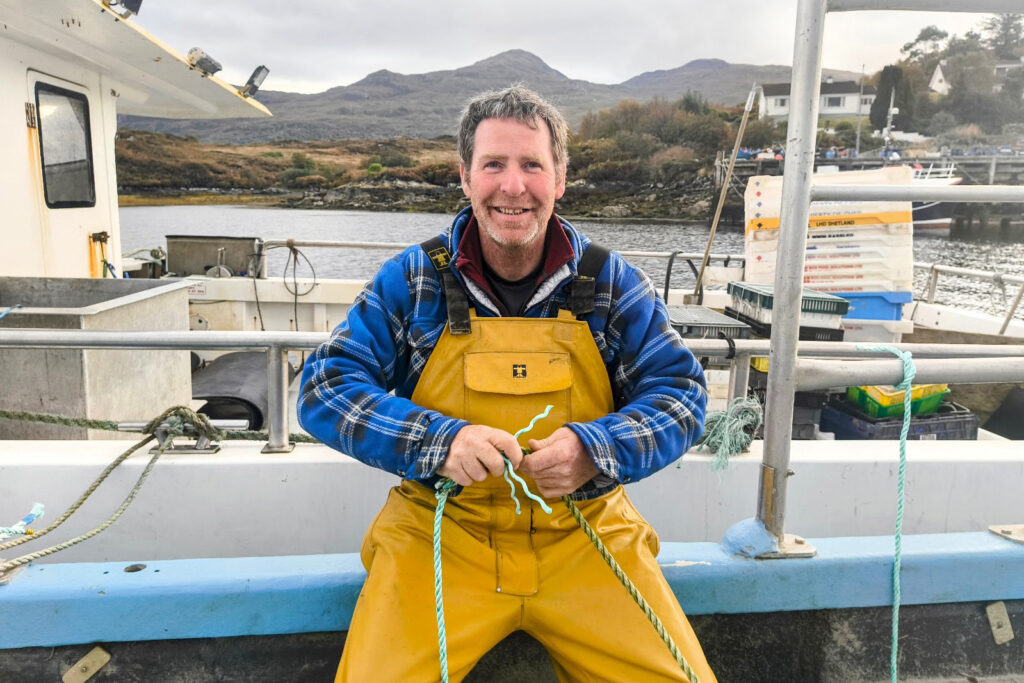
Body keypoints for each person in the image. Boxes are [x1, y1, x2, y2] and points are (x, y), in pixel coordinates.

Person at [298, 84, 714, 683]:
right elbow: (324, 386)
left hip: (585, 530)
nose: (512, 186)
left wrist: (594, 451)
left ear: (560, 178)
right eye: (493, 164)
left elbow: (682, 393)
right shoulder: (413, 278)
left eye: (531, 166)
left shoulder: (612, 281)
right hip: (440, 535)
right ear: (465, 177)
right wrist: (439, 444)